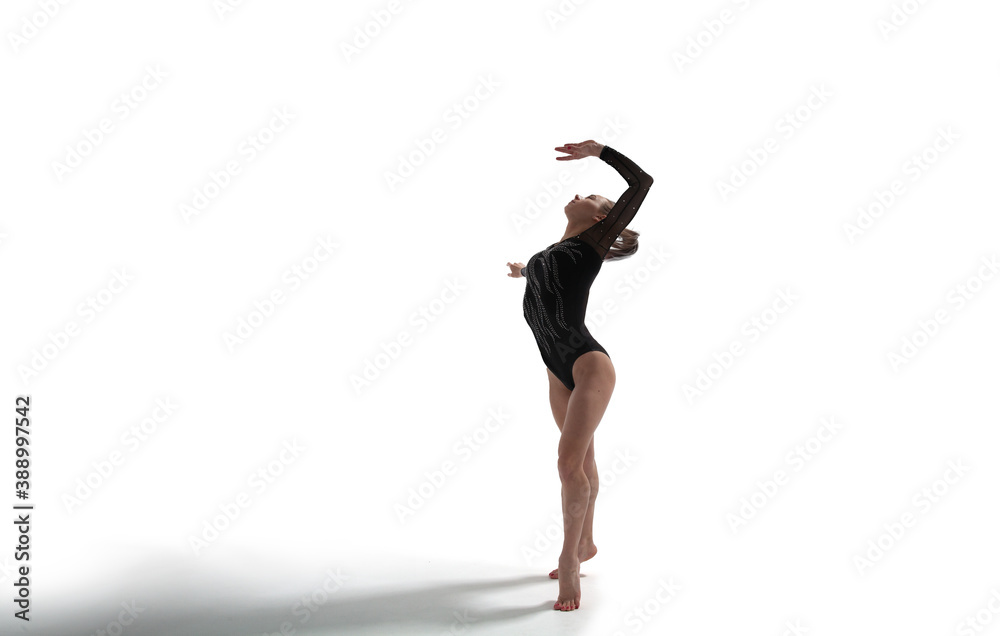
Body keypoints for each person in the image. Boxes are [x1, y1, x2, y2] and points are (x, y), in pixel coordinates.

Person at [506, 140, 653, 611]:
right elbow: (545, 276)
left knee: (568, 465)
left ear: (602, 218)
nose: (579, 195)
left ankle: (569, 559)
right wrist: (523, 270)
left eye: (591, 196)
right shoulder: (554, 251)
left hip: (588, 364)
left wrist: (600, 151)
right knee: (582, 462)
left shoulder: (593, 242)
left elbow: (642, 183)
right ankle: (586, 541)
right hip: (556, 368)